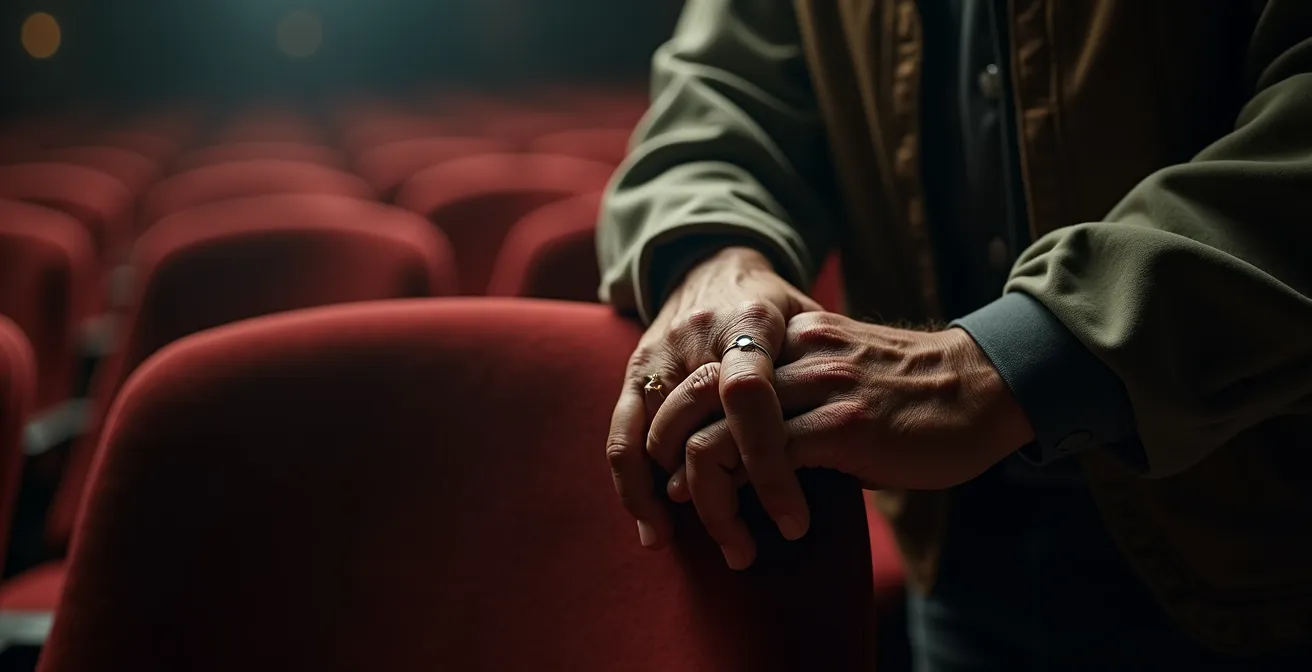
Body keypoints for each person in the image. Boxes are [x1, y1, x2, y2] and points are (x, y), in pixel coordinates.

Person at [597, 1, 1312, 670]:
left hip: (1268, 551)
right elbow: (722, 95)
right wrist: (716, 257)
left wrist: (1005, 366)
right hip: (956, 554)